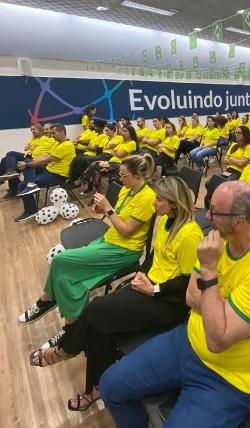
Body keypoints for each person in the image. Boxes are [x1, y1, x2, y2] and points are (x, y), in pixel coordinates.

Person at [99, 180, 250, 428]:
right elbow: (191, 297)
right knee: (111, 386)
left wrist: (210, 274)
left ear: (239, 221)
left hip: (227, 379)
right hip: (186, 342)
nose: (207, 216)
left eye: (214, 211)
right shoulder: (213, 240)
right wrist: (224, 315)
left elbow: (217, 340)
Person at [29, 176, 203, 412]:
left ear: (174, 203)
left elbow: (187, 281)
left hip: (169, 301)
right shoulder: (164, 222)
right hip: (150, 286)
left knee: (96, 309)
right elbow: (153, 258)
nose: (154, 204)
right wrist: (141, 275)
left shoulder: (190, 234)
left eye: (159, 200)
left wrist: (155, 289)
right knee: (100, 328)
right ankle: (95, 389)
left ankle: (66, 349)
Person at [18, 154, 156, 341]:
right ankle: (63, 319)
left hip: (125, 251)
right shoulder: (127, 190)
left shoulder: (147, 198)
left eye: (124, 176)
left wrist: (108, 209)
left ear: (138, 175)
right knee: (68, 273)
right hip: (110, 240)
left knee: (61, 262)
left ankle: (52, 308)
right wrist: (103, 210)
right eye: (121, 175)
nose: (120, 179)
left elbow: (125, 230)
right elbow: (117, 216)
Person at [14, 123, 76, 222]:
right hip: (48, 171)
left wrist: (27, 164)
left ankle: (30, 210)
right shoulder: (58, 143)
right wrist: (29, 162)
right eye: (51, 133)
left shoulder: (67, 145)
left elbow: (46, 160)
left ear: (62, 132)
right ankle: (31, 186)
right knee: (27, 167)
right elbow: (44, 156)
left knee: (23, 184)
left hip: (57, 176)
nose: (51, 135)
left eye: (54, 133)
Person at [0, 123, 54, 200]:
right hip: (28, 156)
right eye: (31, 130)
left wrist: (32, 149)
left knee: (8, 159)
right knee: (7, 159)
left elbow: (43, 153)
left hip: (36, 160)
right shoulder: (35, 138)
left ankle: (12, 189)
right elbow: (27, 148)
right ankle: (11, 175)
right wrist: (31, 148)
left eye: (47, 129)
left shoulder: (52, 139)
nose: (32, 131)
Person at [81, 124, 138, 194]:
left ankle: (83, 178)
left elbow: (120, 155)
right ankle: (97, 192)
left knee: (95, 164)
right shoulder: (122, 142)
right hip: (112, 162)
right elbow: (112, 152)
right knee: (96, 171)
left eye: (125, 131)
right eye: (123, 131)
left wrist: (115, 152)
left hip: (120, 164)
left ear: (131, 133)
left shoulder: (132, 143)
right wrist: (115, 152)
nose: (123, 133)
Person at [79, 122, 124, 195]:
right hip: (102, 154)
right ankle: (90, 186)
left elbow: (117, 150)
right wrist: (107, 147)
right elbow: (99, 149)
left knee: (88, 160)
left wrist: (109, 148)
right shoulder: (105, 139)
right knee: (87, 162)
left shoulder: (119, 138)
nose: (106, 132)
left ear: (113, 130)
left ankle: (83, 179)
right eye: (105, 130)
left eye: (108, 130)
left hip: (109, 156)